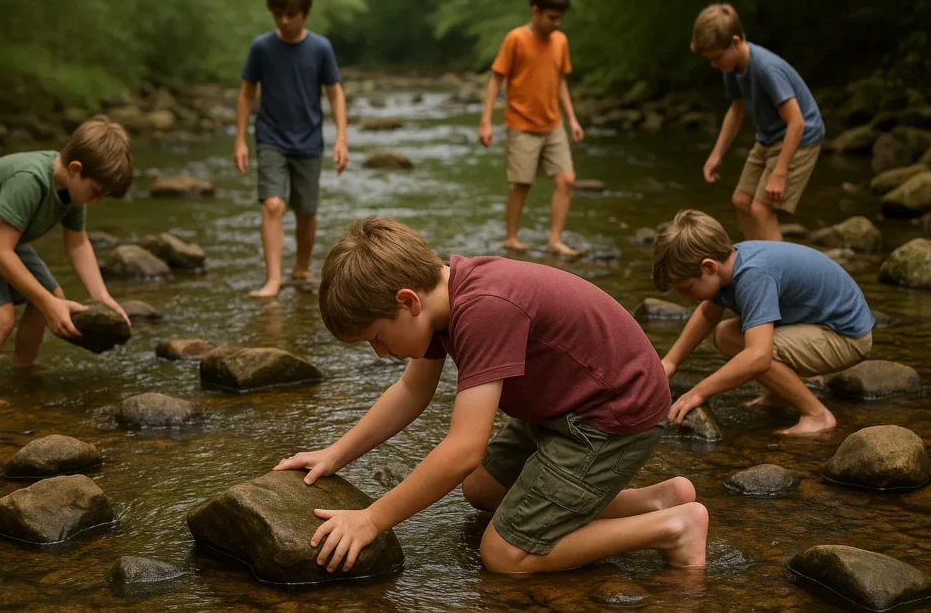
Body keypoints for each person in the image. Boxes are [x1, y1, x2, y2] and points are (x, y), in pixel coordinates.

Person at [274, 217, 708, 575]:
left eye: (377, 338)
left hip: (611, 414)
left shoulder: (484, 309)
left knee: (504, 555)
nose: (382, 353)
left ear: (407, 301)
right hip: (565, 403)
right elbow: (410, 390)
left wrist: (372, 519)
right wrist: (336, 453)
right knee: (481, 489)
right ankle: (655, 500)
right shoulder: (437, 301)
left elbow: (463, 449)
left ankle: (674, 526)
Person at [0, 115, 133, 387]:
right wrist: (49, 304)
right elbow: (0, 253)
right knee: (1, 320)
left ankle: (22, 373)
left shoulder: (75, 190)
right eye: (95, 191)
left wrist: (102, 296)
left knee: (49, 297)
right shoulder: (29, 180)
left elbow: (78, 244)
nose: (95, 200)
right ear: (75, 168)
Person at [653, 210, 874, 435]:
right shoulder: (731, 262)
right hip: (815, 323)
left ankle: (817, 415)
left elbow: (758, 358)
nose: (685, 297)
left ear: (708, 267)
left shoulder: (753, 276)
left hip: (845, 336)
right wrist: (670, 362)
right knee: (726, 335)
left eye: (687, 288)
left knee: (753, 352)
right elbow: (707, 315)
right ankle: (782, 394)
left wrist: (698, 392)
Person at [233, 0, 349, 297]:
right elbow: (246, 93)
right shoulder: (261, 48)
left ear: (306, 13)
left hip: (309, 140)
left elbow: (335, 92)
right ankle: (273, 279)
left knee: (306, 211)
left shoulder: (321, 48)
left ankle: (301, 266)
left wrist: (342, 137)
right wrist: (240, 139)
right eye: (277, 14)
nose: (283, 21)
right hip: (271, 137)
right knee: (272, 205)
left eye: (291, 14)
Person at [691, 3, 825, 241]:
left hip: (800, 139)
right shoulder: (731, 67)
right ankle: (759, 259)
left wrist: (780, 173)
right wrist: (716, 154)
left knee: (761, 209)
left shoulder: (765, 68)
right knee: (741, 201)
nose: (714, 65)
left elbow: (797, 122)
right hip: (768, 138)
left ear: (734, 42)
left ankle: (779, 274)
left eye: (716, 58)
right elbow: (736, 109)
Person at [478, 0, 584, 257]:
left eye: (561, 18)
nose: (557, 23)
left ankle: (554, 240)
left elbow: (560, 81)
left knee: (567, 180)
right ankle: (511, 238)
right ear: (535, 11)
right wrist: (486, 121)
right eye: (551, 18)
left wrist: (572, 119)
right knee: (522, 184)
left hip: (553, 124)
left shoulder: (560, 41)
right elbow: (495, 80)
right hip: (522, 125)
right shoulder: (516, 39)